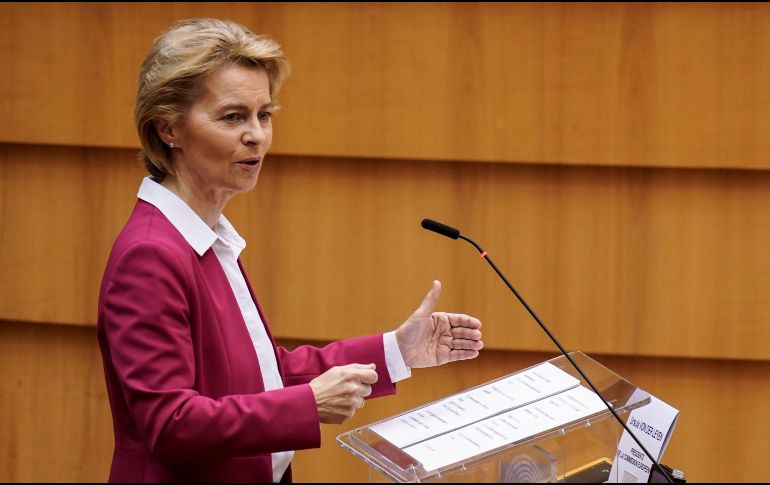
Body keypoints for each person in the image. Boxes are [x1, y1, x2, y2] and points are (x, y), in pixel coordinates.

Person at [96, 18, 484, 483]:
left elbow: (264, 375)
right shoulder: (151, 253)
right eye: (232, 117)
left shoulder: (206, 236)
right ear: (168, 129)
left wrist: (397, 350)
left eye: (264, 115)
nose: (257, 135)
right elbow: (171, 423)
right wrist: (308, 405)